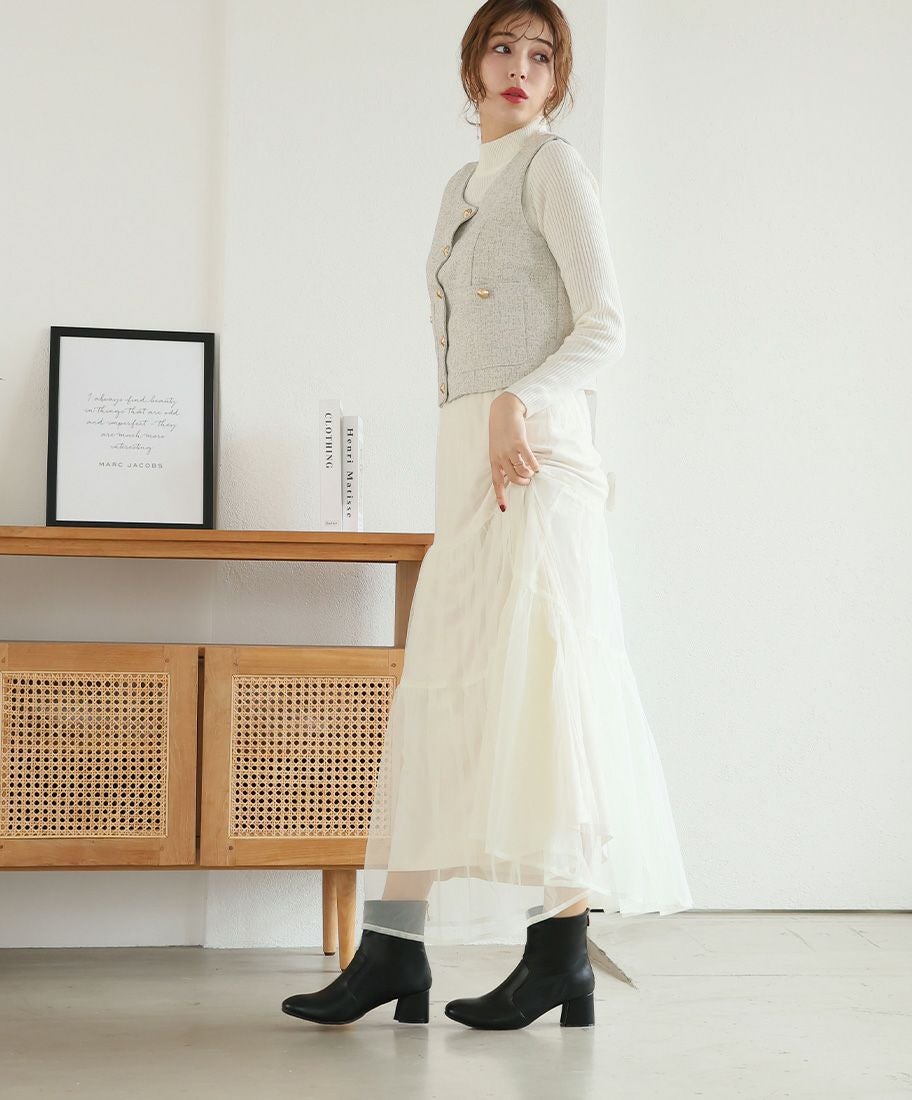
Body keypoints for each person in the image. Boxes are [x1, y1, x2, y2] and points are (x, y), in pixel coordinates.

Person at [281, 0, 692, 1031]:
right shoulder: (459, 186)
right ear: (471, 67)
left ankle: (558, 952)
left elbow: (606, 324)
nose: (520, 67)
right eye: (503, 48)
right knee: (448, 686)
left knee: (540, 690)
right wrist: (484, 414)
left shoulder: (554, 168)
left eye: (541, 55)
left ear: (559, 80)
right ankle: (395, 945)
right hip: (470, 451)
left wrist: (519, 399)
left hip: (534, 455)